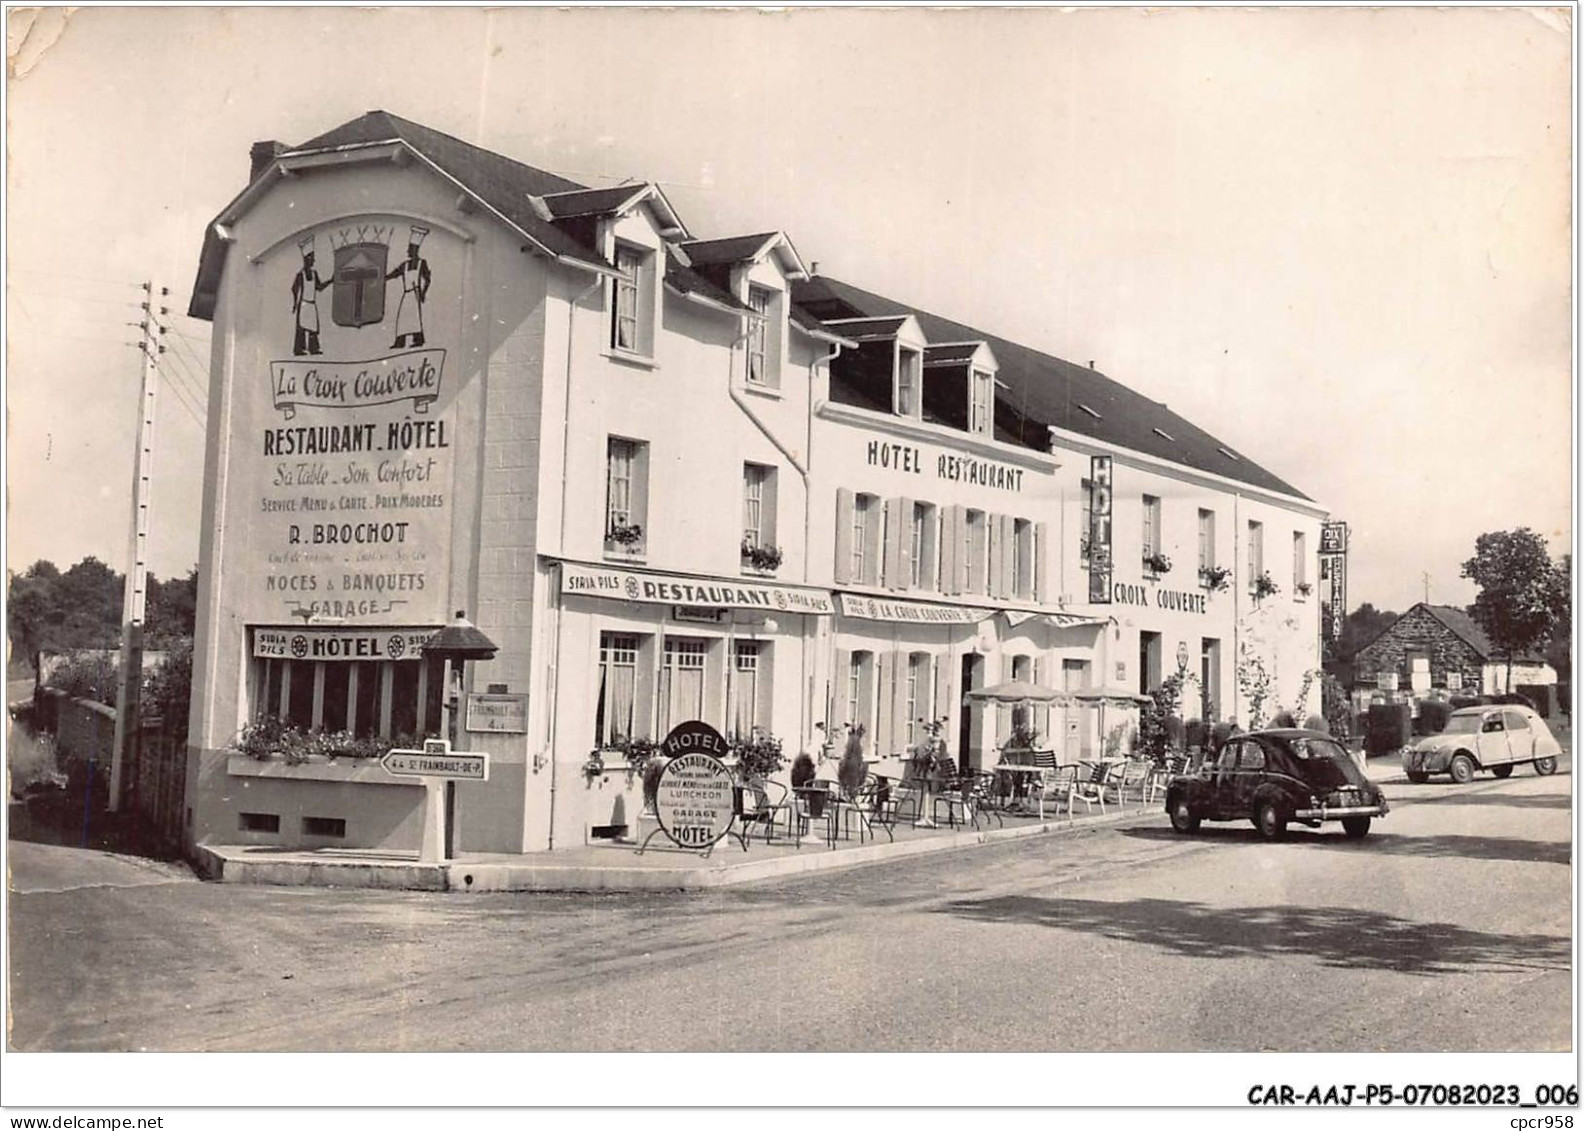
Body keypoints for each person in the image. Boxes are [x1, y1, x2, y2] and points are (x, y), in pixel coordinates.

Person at [386, 225, 432, 348]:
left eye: (410, 249)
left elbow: (427, 279)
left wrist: (423, 293)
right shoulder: (405, 265)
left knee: (415, 318)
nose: (408, 252)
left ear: (415, 250)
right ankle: (400, 341)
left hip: (415, 293)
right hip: (407, 293)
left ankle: (418, 340)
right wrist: (383, 278)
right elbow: (394, 274)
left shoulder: (422, 263)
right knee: (402, 317)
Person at [290, 236, 331, 356]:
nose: (314, 261)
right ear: (307, 259)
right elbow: (294, 288)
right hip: (303, 303)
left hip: (311, 304)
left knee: (313, 327)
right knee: (301, 328)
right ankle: (299, 349)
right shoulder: (300, 275)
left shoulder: (314, 274)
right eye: (312, 258)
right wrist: (294, 303)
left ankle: (313, 348)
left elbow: (319, 287)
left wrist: (331, 281)